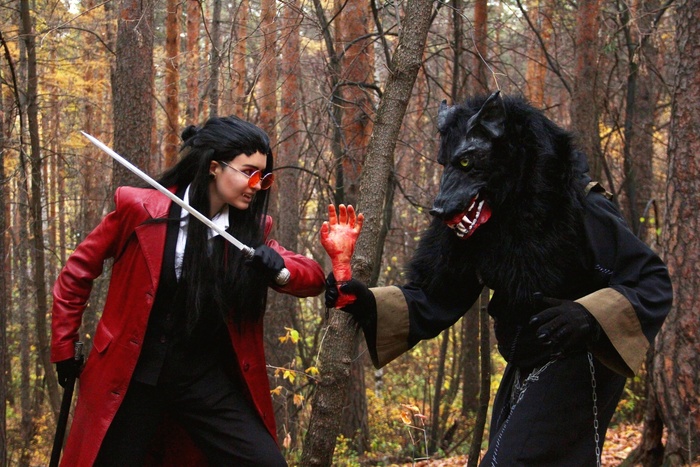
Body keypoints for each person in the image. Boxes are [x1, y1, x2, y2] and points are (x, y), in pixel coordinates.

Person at [324, 93, 673, 465]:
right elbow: (439, 293)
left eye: (467, 164)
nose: (447, 196)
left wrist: (586, 316)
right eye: (450, 165)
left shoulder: (578, 205)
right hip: (526, 358)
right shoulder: (473, 218)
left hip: (581, 358)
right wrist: (366, 301)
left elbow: (650, 281)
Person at [51, 116, 325, 466]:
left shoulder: (249, 233)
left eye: (263, 177)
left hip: (202, 382)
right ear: (214, 167)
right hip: (132, 377)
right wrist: (64, 346)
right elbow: (77, 272)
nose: (257, 185)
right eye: (249, 172)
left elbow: (313, 276)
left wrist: (280, 270)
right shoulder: (140, 209)